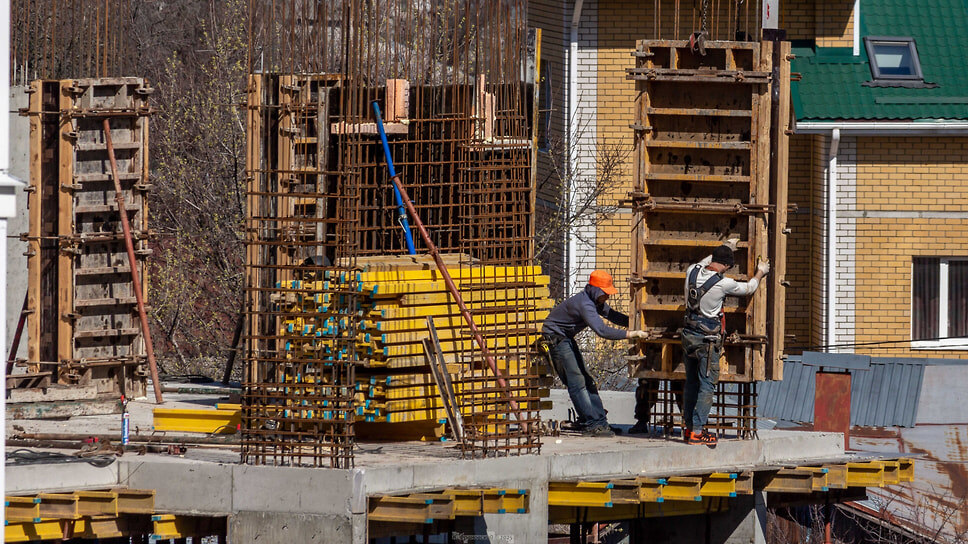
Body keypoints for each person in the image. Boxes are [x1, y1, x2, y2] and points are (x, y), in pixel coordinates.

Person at [680, 238, 769, 445]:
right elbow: (749, 288)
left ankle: (689, 428)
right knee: (707, 384)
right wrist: (760, 272)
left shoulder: (692, 270)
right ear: (727, 266)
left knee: (691, 383)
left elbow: (706, 260)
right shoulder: (722, 283)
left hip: (688, 335)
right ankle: (698, 432)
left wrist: (727, 246)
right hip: (707, 340)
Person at [542, 270, 649, 437]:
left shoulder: (594, 301)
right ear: (595, 290)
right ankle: (591, 423)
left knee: (587, 380)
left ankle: (600, 422)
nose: (606, 297)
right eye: (605, 294)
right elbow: (602, 330)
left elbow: (612, 315)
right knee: (577, 382)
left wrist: (634, 323)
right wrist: (631, 334)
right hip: (555, 338)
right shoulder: (585, 304)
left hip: (565, 337)